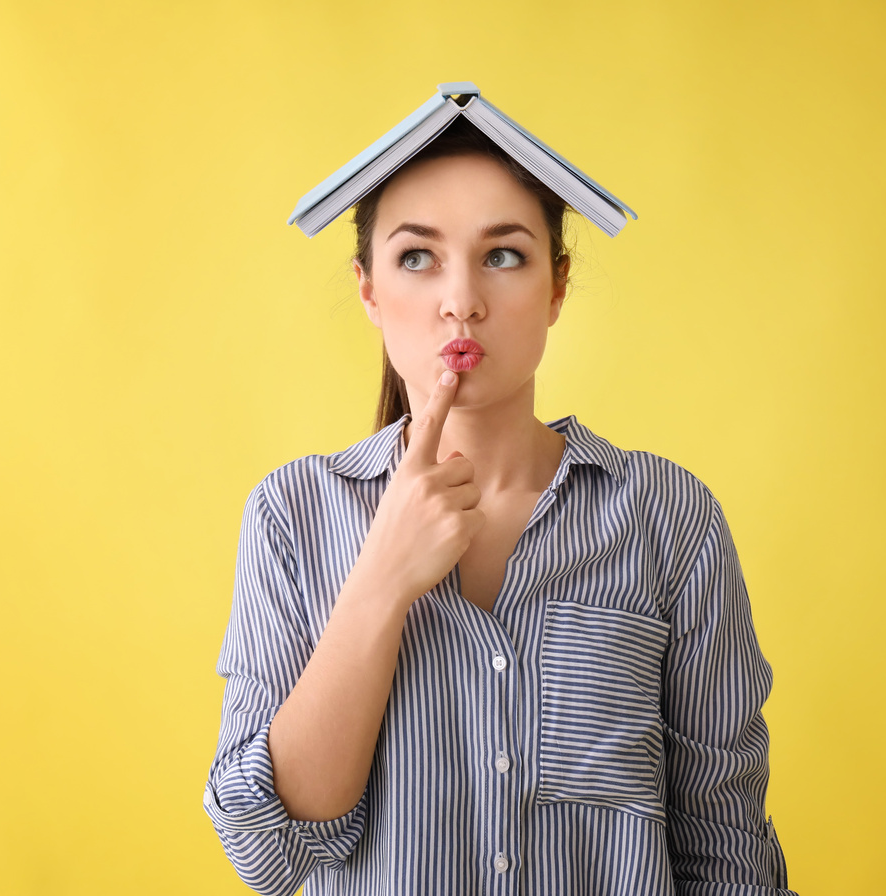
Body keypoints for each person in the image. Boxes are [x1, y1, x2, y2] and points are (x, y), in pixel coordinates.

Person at [203, 117, 796, 896]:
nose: (461, 302)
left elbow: (727, 853)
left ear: (556, 286)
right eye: (417, 257)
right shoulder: (292, 516)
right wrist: (381, 579)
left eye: (503, 256)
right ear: (369, 291)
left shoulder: (668, 519)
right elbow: (267, 851)